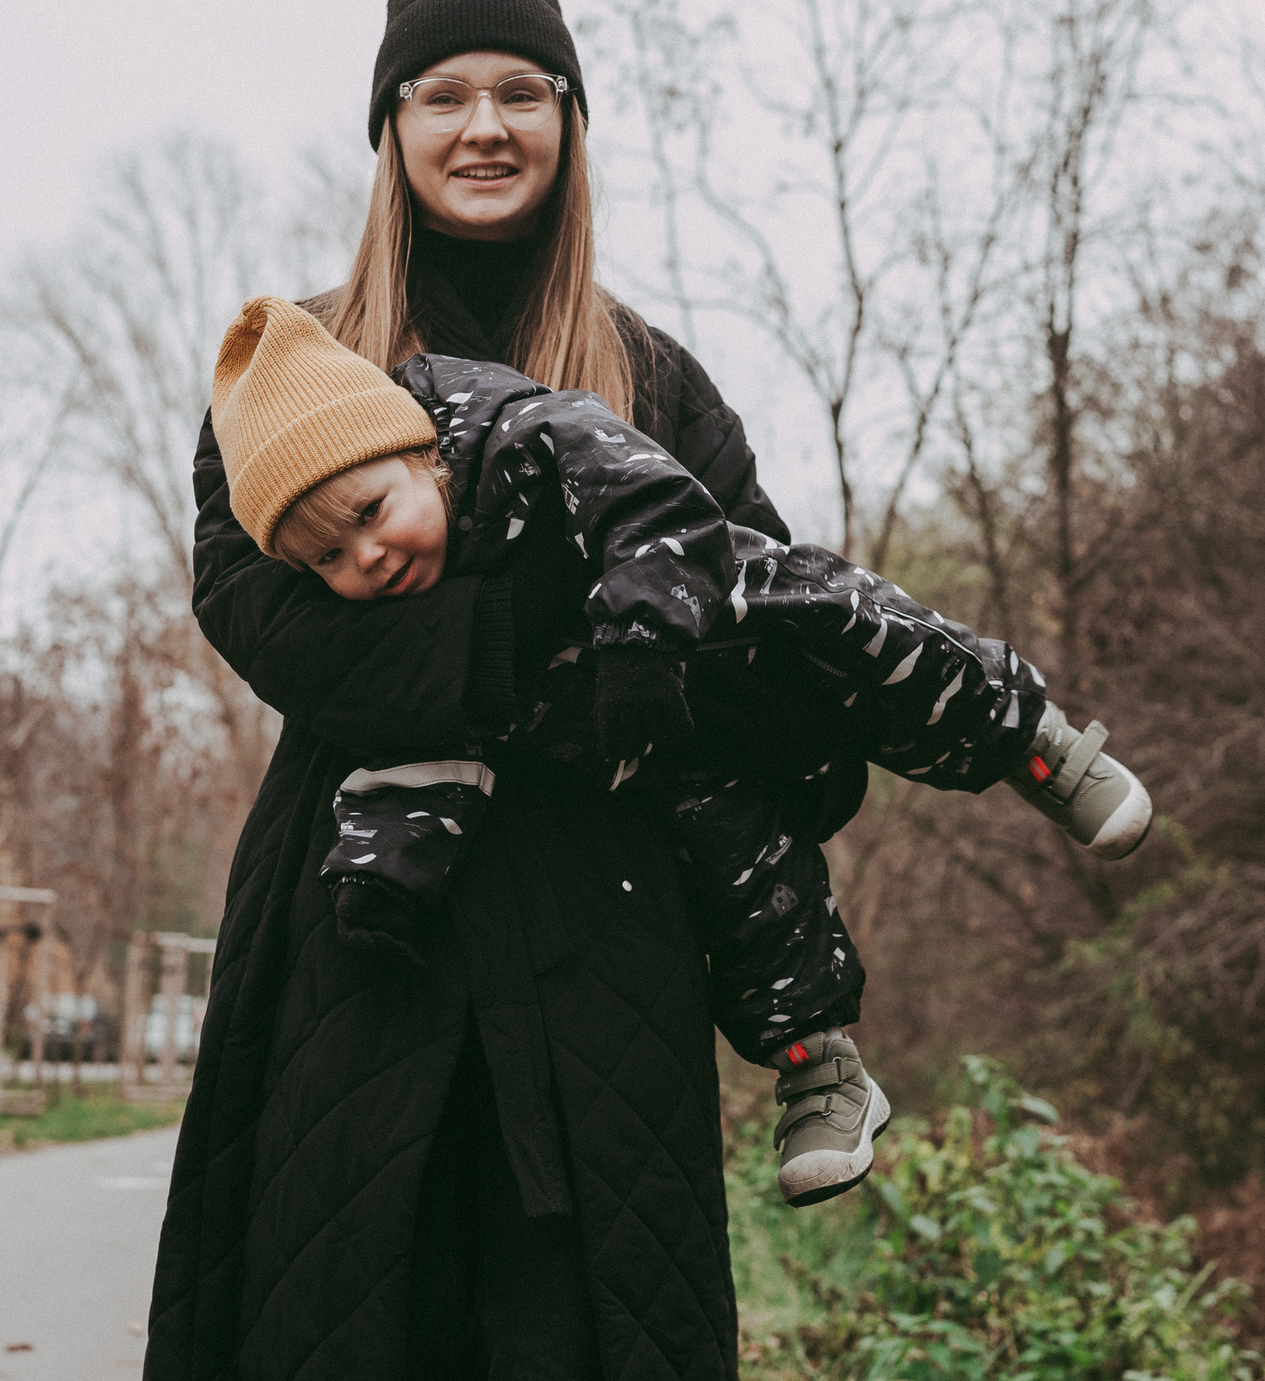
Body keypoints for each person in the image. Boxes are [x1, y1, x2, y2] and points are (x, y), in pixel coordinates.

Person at [123, 0, 1139, 1381]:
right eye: (445, 94)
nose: (483, 125)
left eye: (522, 92)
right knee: (363, 1296)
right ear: (392, 130)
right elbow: (270, 622)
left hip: (599, 920)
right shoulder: (302, 367)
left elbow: (761, 615)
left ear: (571, 125)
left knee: (564, 1332)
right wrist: (544, 644)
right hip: (369, 902)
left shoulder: (653, 381)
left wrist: (721, 715)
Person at [202, 292, 1151, 1207]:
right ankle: (820, 1069)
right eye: (326, 559)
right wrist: (386, 870)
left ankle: (1033, 742)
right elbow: (419, 754)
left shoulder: (522, 432)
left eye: (370, 513)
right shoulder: (406, 603)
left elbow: (652, 495)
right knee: (735, 858)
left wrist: (643, 640)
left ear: (421, 457)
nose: (365, 559)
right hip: (647, 735)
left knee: (859, 632)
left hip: (716, 602)